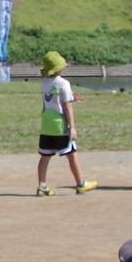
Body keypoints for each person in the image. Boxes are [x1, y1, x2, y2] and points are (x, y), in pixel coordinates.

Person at [33, 51, 95, 196]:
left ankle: (42, 185)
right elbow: (67, 106)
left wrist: (71, 97)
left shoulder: (45, 83)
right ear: (58, 68)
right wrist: (72, 127)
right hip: (61, 126)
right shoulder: (63, 83)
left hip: (47, 125)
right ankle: (81, 184)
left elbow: (51, 100)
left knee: (45, 156)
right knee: (71, 155)